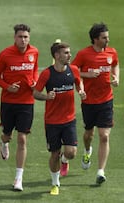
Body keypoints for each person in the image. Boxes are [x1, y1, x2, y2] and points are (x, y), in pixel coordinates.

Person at [33, 42, 86, 195]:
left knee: (71, 153)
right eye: (66, 53)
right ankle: (55, 183)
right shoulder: (47, 74)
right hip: (52, 122)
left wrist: (81, 91)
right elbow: (35, 93)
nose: (70, 55)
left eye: (69, 52)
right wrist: (46, 96)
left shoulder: (74, 70)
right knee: (54, 153)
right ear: (57, 55)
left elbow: (78, 82)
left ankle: (65, 160)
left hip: (69, 120)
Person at [71, 22, 119, 185]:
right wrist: (87, 74)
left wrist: (116, 77)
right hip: (89, 101)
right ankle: (87, 150)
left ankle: (100, 171)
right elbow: (73, 71)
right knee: (88, 134)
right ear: (95, 39)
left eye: (107, 36)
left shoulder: (111, 52)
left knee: (104, 136)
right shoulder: (84, 54)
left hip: (106, 100)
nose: (108, 40)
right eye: (104, 37)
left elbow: (115, 64)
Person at [0, 23, 39, 191]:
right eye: (20, 37)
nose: (23, 40)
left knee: (22, 138)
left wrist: (34, 82)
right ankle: (3, 143)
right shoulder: (5, 54)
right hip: (9, 102)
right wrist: (7, 87)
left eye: (26, 37)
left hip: (26, 102)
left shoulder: (34, 52)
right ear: (14, 38)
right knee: (7, 135)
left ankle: (18, 178)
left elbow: (34, 71)